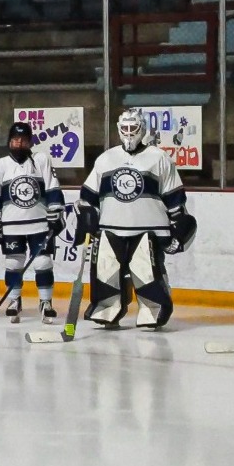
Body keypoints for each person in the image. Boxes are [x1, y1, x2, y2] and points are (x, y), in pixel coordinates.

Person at [81, 109, 190, 329]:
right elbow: (88, 195)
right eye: (125, 129)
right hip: (110, 227)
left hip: (148, 228)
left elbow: (174, 196)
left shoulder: (159, 158)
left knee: (146, 271)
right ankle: (106, 310)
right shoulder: (106, 159)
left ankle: (153, 312)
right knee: (106, 269)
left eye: (133, 128)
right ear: (118, 129)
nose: (129, 133)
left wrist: (177, 224)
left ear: (142, 129)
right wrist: (88, 215)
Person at [0, 121, 65, 324]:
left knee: (43, 263)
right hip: (11, 225)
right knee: (13, 264)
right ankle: (14, 300)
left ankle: (45, 302)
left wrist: (56, 214)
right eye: (15, 139)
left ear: (30, 142)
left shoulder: (41, 160)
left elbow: (53, 189)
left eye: (23, 140)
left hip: (39, 223)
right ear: (9, 141)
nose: (19, 143)